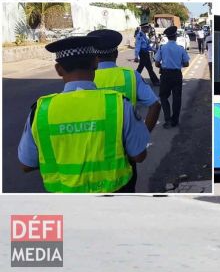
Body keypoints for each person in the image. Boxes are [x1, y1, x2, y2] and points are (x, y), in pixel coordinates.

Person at [17, 36, 150, 193]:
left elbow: (26, 164)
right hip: (116, 195)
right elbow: (139, 156)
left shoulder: (41, 111)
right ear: (95, 63)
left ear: (58, 69)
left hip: (65, 201)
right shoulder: (119, 104)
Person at [88, 28, 162, 192]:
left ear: (94, 56)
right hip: (125, 153)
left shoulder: (86, 78)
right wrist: (142, 136)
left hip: (90, 151)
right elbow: (155, 105)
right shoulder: (130, 76)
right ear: (115, 54)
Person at [154, 26, 190, 129]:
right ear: (175, 37)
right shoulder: (180, 49)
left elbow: (156, 63)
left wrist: (163, 66)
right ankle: (175, 120)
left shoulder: (162, 48)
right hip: (177, 75)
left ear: (168, 37)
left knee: (164, 97)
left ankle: (167, 120)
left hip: (165, 75)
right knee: (177, 98)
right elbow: (186, 63)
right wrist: (177, 64)